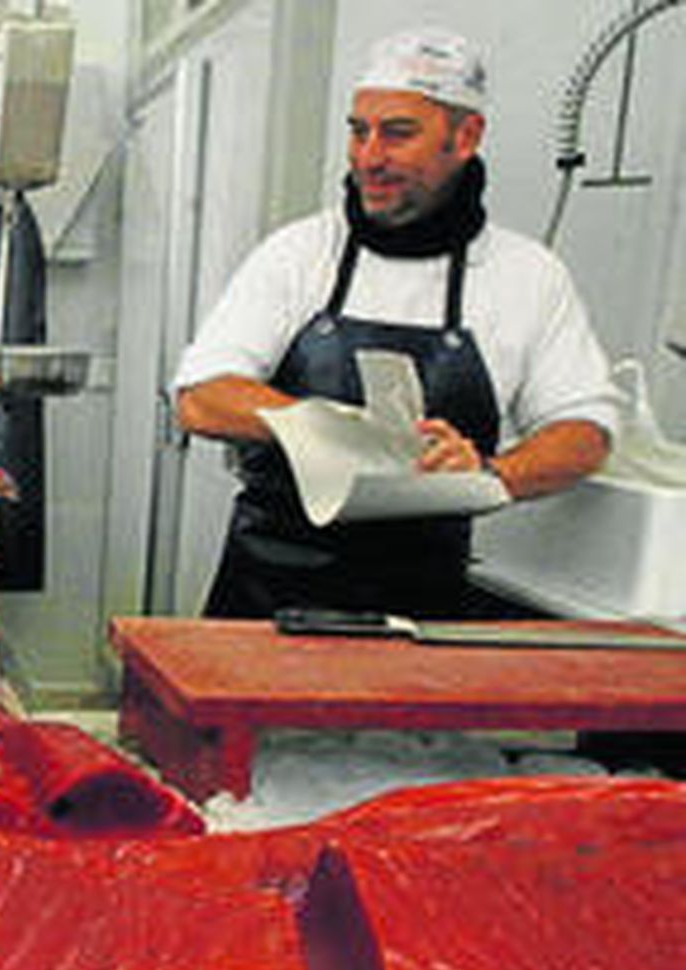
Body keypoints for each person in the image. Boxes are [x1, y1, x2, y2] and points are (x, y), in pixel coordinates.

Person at [172, 27, 618, 619]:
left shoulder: (527, 276)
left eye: (398, 134)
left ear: (466, 137)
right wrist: (322, 427)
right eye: (359, 132)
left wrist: (488, 473)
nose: (369, 157)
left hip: (426, 613)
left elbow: (585, 430)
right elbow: (201, 399)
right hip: (267, 599)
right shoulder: (301, 253)